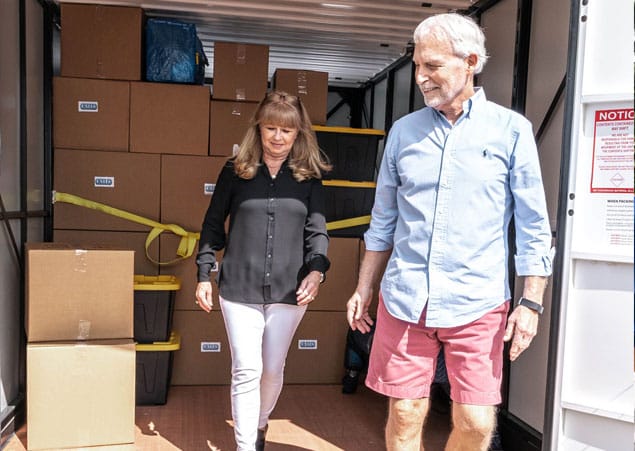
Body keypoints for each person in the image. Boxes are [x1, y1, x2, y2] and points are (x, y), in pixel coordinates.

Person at [346, 13, 553, 451]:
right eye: (418, 64)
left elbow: (534, 224)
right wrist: (364, 287)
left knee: (477, 422)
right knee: (404, 413)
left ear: (471, 62)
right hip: (406, 299)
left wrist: (531, 300)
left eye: (433, 65)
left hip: (477, 300)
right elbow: (382, 220)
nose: (421, 76)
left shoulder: (511, 131)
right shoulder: (404, 133)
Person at [195, 90, 331, 451]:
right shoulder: (235, 171)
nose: (277, 137)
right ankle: (245, 446)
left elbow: (317, 232)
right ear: (258, 129)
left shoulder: (309, 178)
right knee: (246, 369)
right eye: (270, 128)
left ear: (298, 133)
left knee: (271, 369)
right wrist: (203, 273)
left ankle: (259, 425)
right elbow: (212, 225)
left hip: (290, 290)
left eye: (286, 130)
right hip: (238, 287)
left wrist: (316, 272)